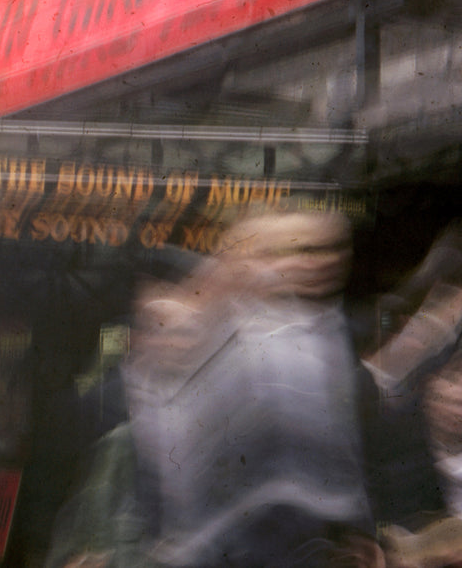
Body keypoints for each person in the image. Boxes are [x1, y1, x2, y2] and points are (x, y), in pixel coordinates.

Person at [121, 209, 380, 567]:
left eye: (327, 249)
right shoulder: (187, 356)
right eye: (289, 251)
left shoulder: (338, 351)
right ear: (235, 262)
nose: (315, 262)